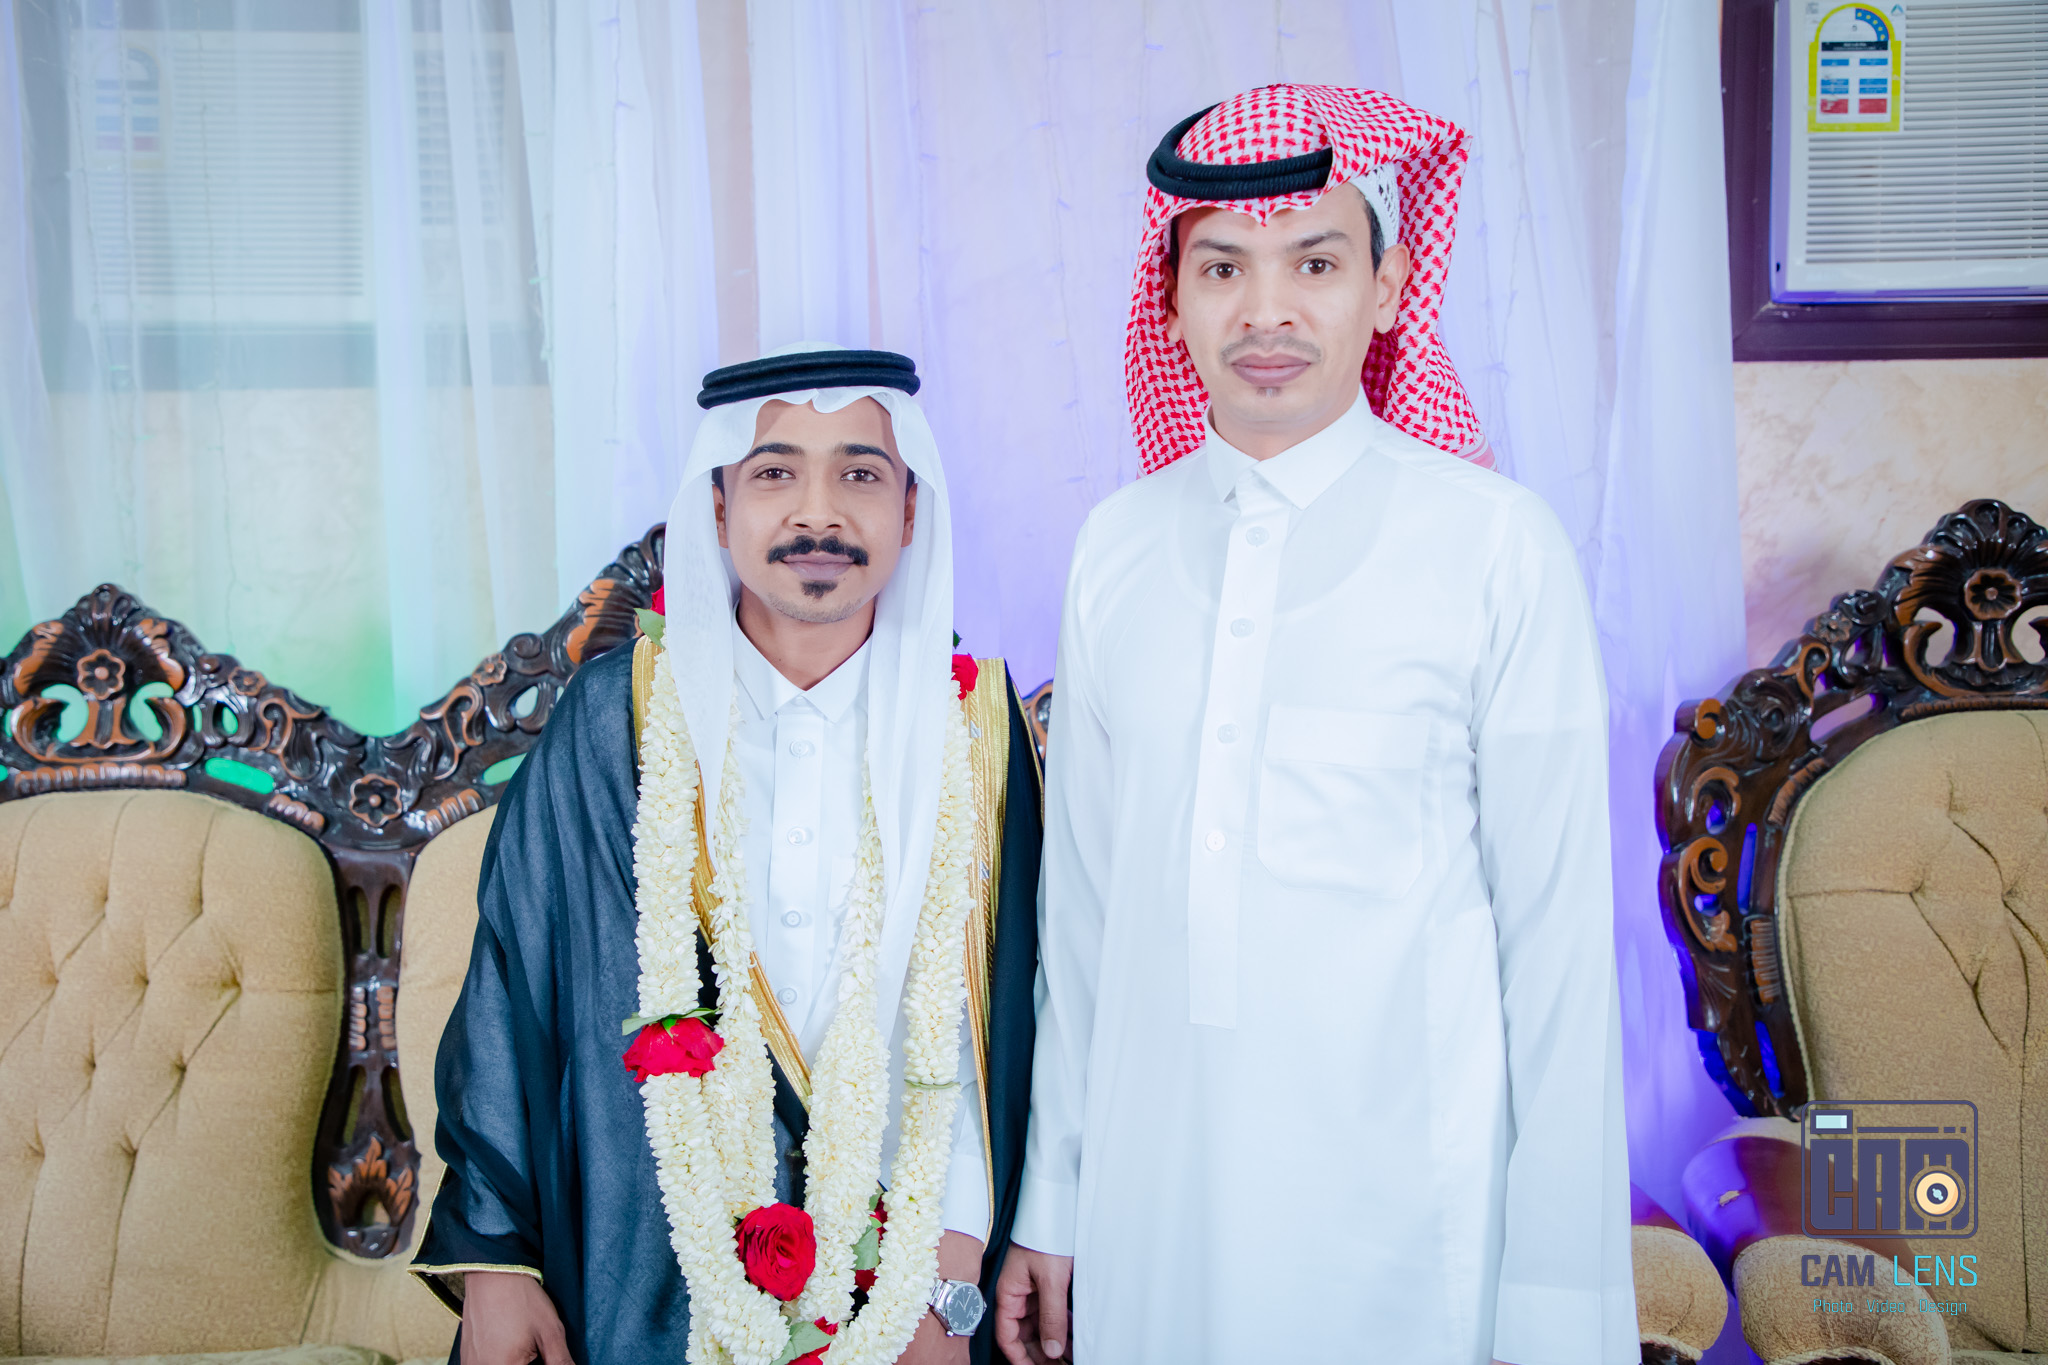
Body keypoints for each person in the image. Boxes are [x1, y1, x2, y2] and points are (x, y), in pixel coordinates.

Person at [995, 86, 1636, 1365]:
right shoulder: (1116, 548)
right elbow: (1083, 923)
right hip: (1153, 1217)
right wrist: (1051, 1203)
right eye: (1221, 267)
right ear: (1170, 300)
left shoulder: (1493, 545)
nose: (1265, 311)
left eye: (1315, 263)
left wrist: (1559, 1305)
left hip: (1409, 1237)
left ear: (1388, 289)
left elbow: (1558, 956)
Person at [414, 345, 1043, 1365]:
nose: (817, 513)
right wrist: (497, 1264)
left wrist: (945, 1285)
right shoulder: (616, 721)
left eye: (860, 473)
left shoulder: (972, 732)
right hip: (639, 1262)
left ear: (908, 512)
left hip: (906, 1275)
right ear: (717, 510)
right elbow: (511, 987)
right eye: (775, 472)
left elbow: (999, 1029)